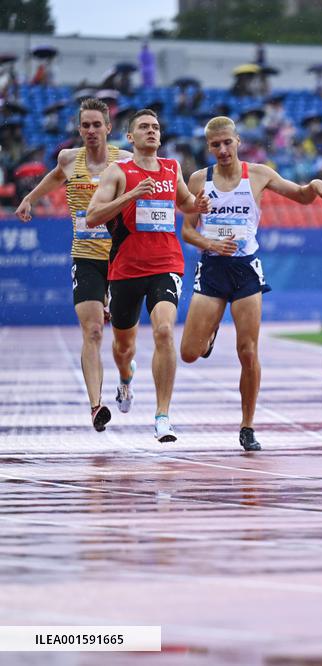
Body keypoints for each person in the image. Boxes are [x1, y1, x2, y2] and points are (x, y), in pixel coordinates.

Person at [178, 116, 322, 451]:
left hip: (246, 271)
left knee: (248, 350)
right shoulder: (198, 180)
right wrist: (210, 244)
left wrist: (313, 185)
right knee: (189, 353)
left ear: (238, 141)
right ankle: (208, 335)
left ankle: (247, 426)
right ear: (208, 147)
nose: (223, 150)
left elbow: (299, 197)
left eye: (228, 142)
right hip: (212, 269)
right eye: (215, 145)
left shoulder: (258, 174)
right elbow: (187, 231)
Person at [86, 108, 210, 443]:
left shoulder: (172, 167)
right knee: (124, 348)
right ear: (130, 136)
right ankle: (126, 378)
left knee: (165, 332)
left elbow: (184, 202)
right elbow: (92, 216)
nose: (152, 132)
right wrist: (131, 195)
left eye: (156, 127)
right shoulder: (118, 171)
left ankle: (162, 416)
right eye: (144, 127)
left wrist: (198, 205)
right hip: (125, 269)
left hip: (166, 264)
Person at [15, 98, 133, 432]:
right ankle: (96, 406)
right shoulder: (69, 159)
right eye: (86, 125)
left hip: (121, 257)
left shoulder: (124, 161)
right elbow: (53, 178)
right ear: (79, 129)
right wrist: (29, 199)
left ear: (109, 128)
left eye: (98, 125)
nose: (92, 131)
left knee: (124, 343)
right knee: (93, 330)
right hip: (85, 257)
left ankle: (126, 378)